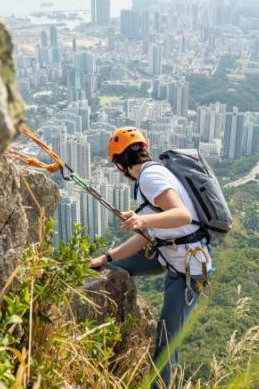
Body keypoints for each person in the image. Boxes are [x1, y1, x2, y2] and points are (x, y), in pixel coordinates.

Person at [90, 126, 212, 388]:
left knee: (167, 342)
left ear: (121, 163)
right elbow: (147, 236)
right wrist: (106, 258)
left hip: (187, 270)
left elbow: (181, 216)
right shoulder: (150, 177)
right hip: (167, 254)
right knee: (112, 267)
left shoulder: (149, 177)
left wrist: (141, 218)